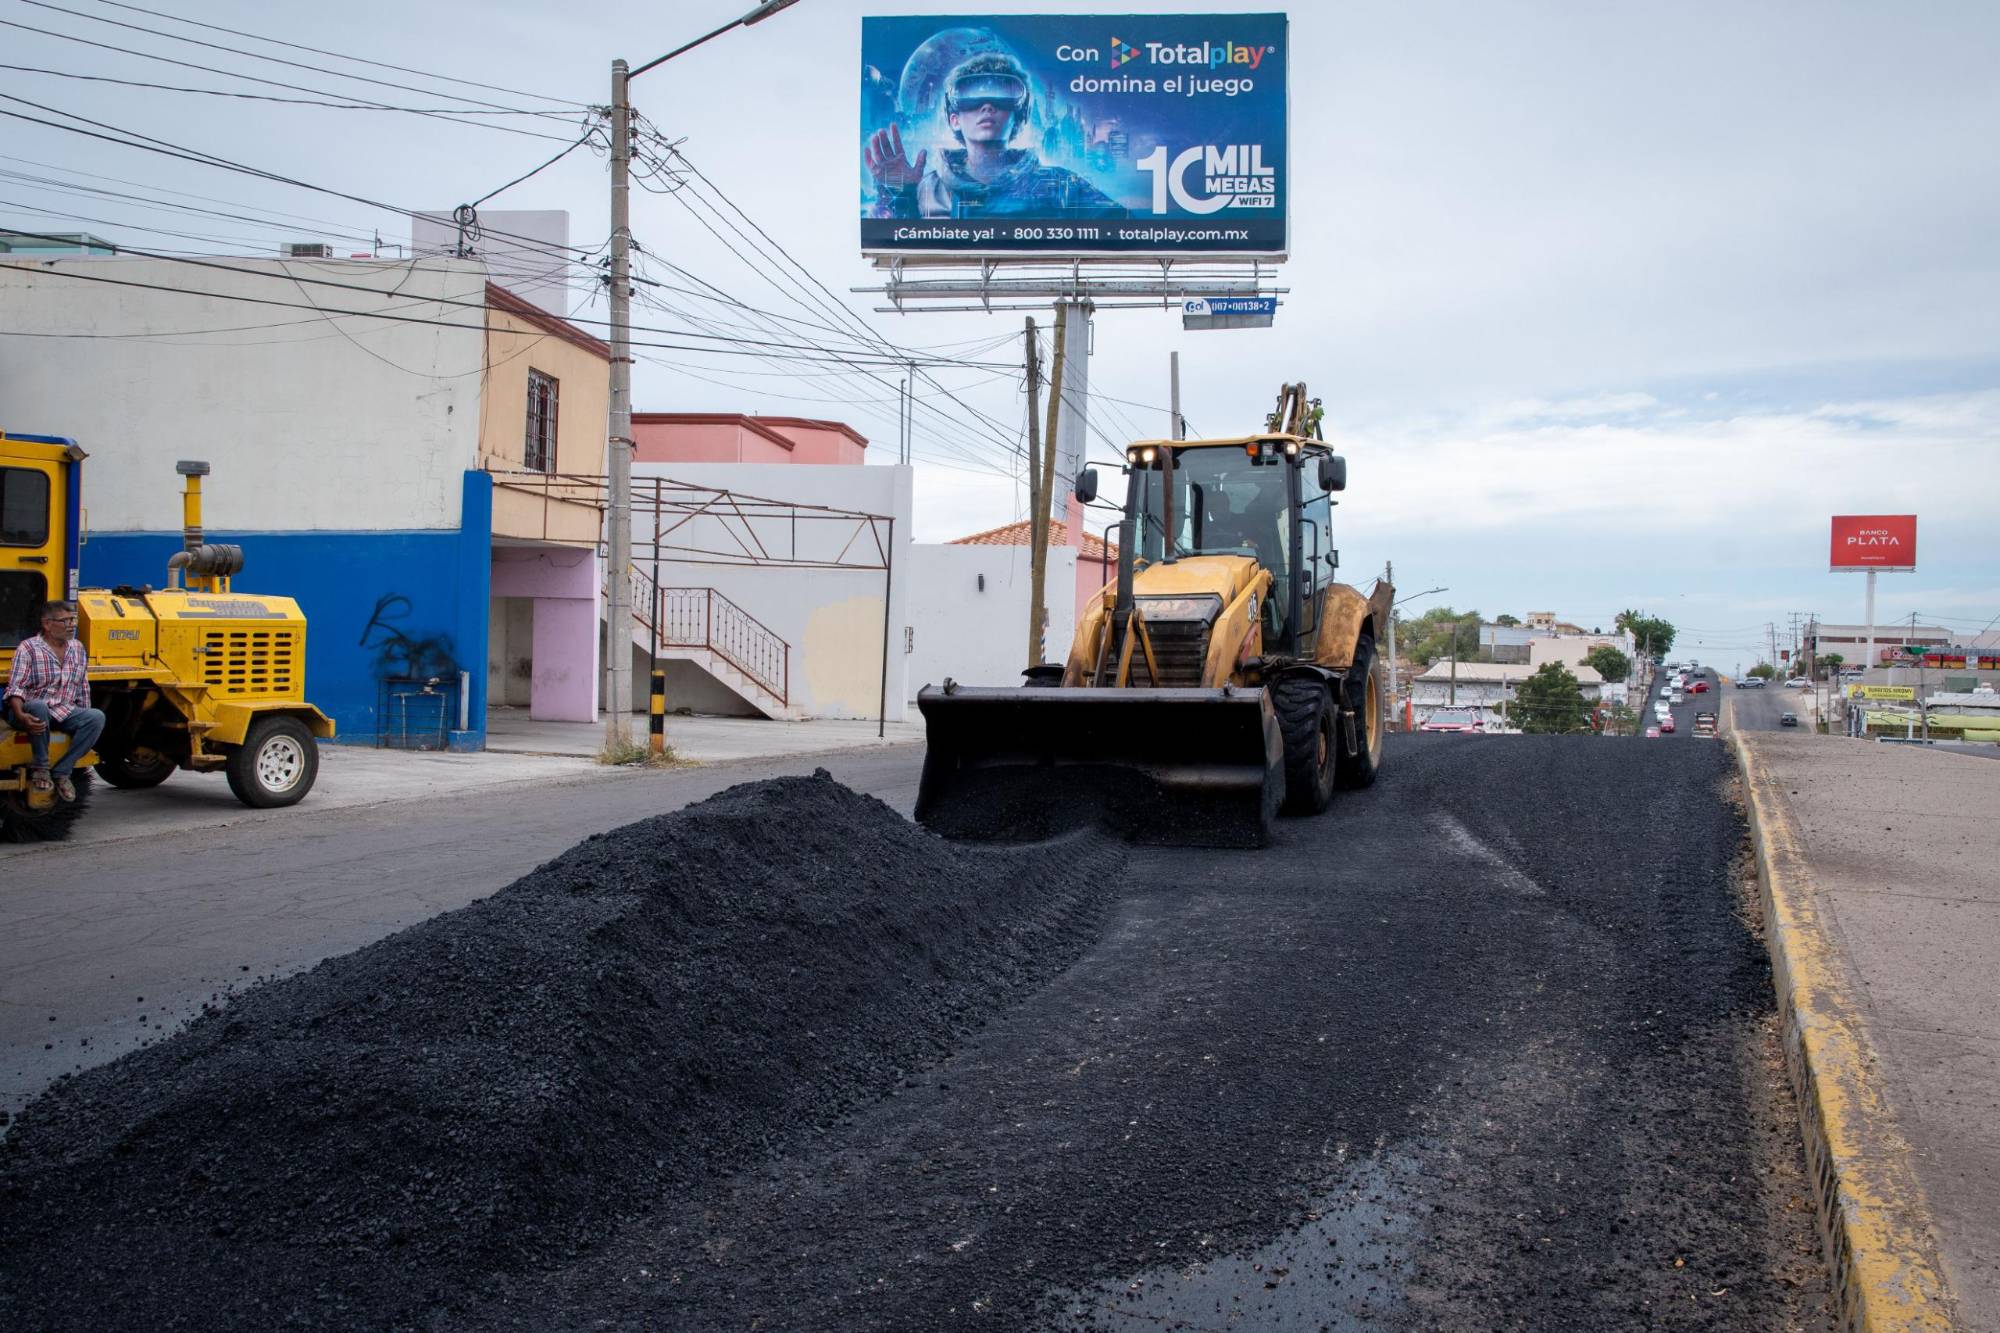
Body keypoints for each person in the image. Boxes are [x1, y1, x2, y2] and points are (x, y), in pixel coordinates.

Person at [867, 52, 1126, 221]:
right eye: (971, 98)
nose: (987, 107)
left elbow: (1124, 226)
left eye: (1002, 97)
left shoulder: (1059, 185)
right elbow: (895, 241)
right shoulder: (929, 189)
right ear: (954, 119)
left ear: (1019, 116)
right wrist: (899, 193)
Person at [5, 601, 103, 803]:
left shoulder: (77, 648)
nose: (71, 625)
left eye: (73, 620)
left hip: (63, 710)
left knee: (96, 717)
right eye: (65, 621)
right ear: (47, 624)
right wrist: (21, 715)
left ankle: (62, 772)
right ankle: (41, 768)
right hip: (30, 710)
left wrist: (82, 719)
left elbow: (82, 687)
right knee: (39, 706)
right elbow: (16, 688)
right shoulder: (28, 648)